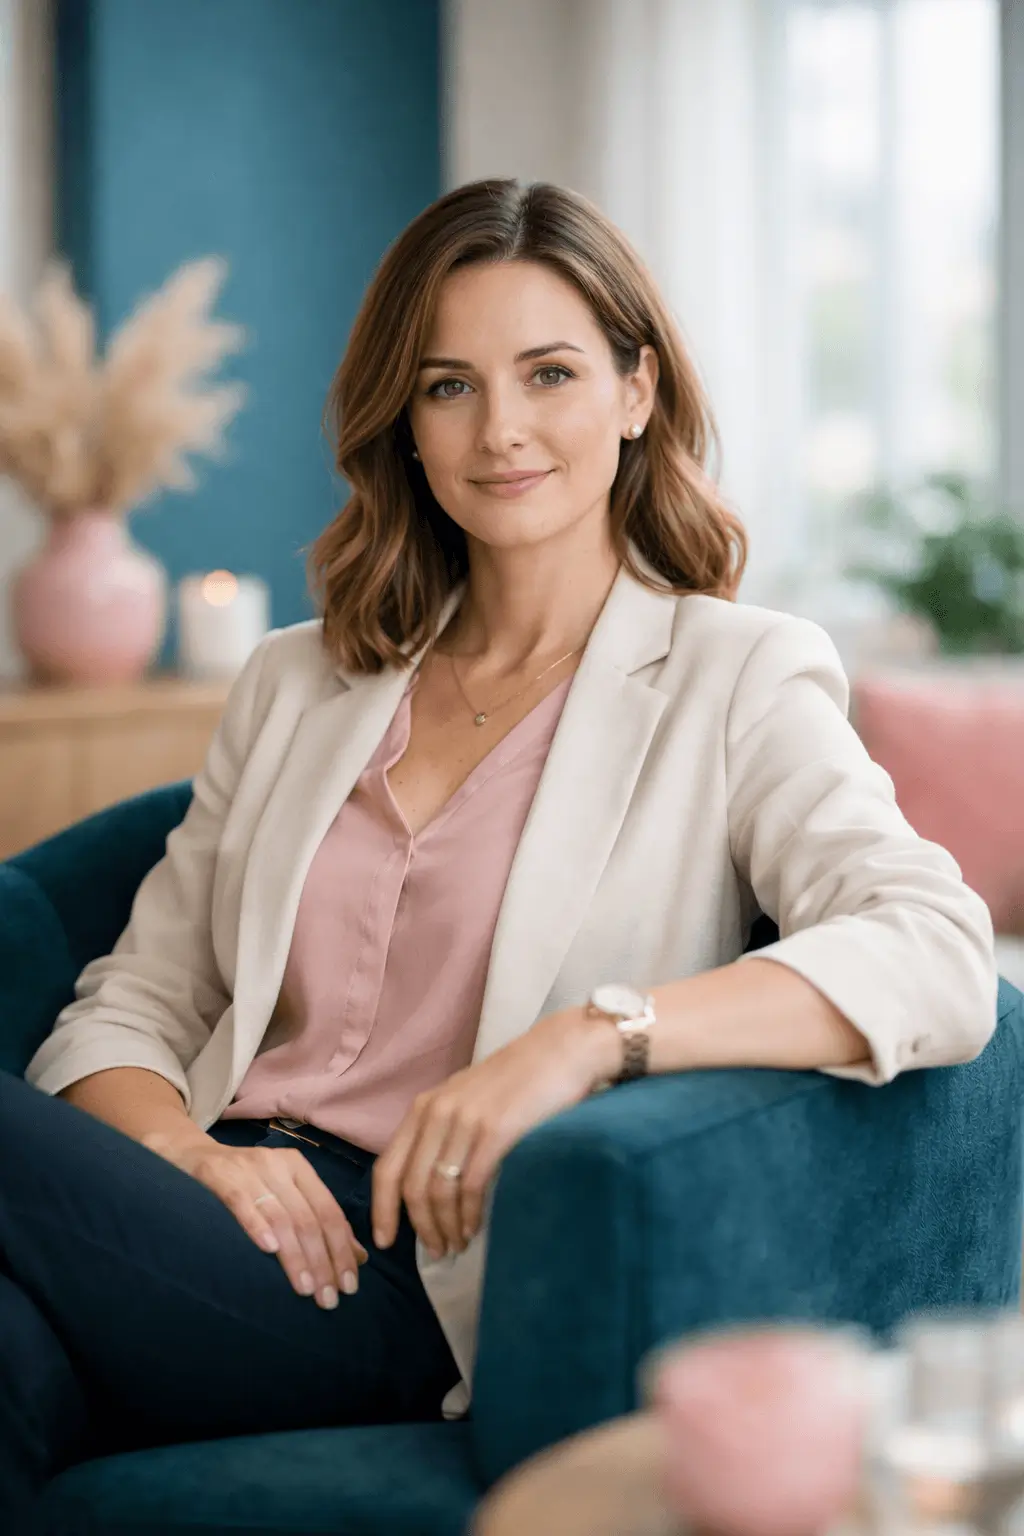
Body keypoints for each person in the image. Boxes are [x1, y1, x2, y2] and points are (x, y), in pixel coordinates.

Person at [1, 178, 996, 1517]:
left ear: (638, 391)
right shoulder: (302, 682)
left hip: (406, 1277)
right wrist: (191, 1158)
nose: (503, 429)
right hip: (197, 1205)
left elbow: (935, 952)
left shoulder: (737, 674)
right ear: (403, 423)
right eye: (449, 386)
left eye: (550, 373)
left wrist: (594, 1033)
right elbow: (136, 998)